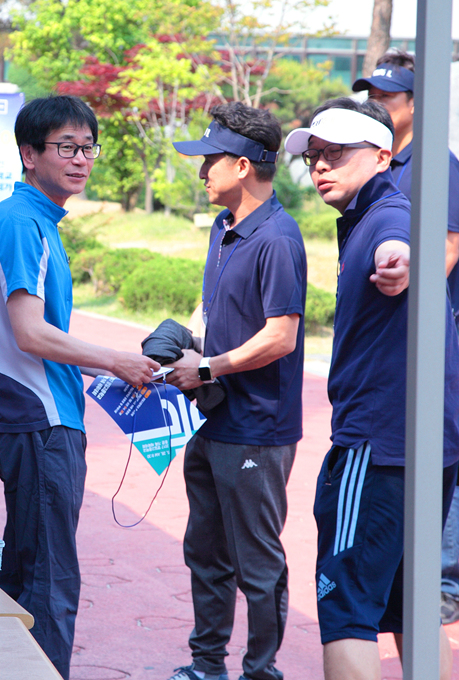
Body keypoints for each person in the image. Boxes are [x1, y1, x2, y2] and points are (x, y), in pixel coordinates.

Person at [0, 95, 159, 680]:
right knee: (49, 581)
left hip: (39, 416)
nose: (81, 159)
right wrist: (115, 361)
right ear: (29, 155)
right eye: (66, 147)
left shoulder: (37, 221)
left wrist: (112, 368)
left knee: (27, 572)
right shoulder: (22, 222)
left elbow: (40, 334)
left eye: (88, 148)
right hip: (38, 418)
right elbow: (30, 333)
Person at [284, 98, 459, 680]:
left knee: (346, 608)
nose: (321, 165)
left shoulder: (387, 216)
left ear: (384, 156)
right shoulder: (374, 214)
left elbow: (400, 244)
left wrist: (399, 262)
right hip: (428, 442)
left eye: (337, 153)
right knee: (413, 605)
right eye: (315, 155)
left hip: (380, 445)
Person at [162, 103, 307, 680]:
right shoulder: (224, 230)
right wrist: (182, 345)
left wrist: (207, 368)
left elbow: (281, 336)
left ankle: (261, 671)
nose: (202, 172)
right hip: (213, 419)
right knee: (204, 550)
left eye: (210, 161)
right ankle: (207, 666)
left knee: (257, 562)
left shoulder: (279, 238)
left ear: (243, 166)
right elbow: (223, 318)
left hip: (257, 429)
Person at [352, 51, 459, 625]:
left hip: (438, 326)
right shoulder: (380, 164)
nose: (375, 103)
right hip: (397, 327)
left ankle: (444, 582)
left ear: (415, 104)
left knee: (441, 452)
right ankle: (407, 576)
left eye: (386, 96)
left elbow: (445, 251)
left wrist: (405, 285)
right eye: (370, 95)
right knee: (402, 451)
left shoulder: (435, 164)